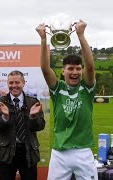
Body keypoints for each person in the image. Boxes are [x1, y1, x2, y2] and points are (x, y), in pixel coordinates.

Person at [36, 20, 98, 180]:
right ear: (63, 72)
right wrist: (43, 39)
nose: (75, 72)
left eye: (78, 68)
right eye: (70, 69)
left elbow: (90, 67)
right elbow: (44, 68)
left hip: (83, 151)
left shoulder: (87, 88)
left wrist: (81, 35)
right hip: (60, 153)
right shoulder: (58, 89)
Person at [0, 70, 45, 180]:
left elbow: (40, 126)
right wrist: (5, 117)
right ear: (7, 84)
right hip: (6, 153)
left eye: (17, 82)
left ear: (23, 83)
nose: (14, 86)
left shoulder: (33, 102)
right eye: (11, 83)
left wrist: (33, 117)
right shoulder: (0, 102)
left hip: (28, 152)